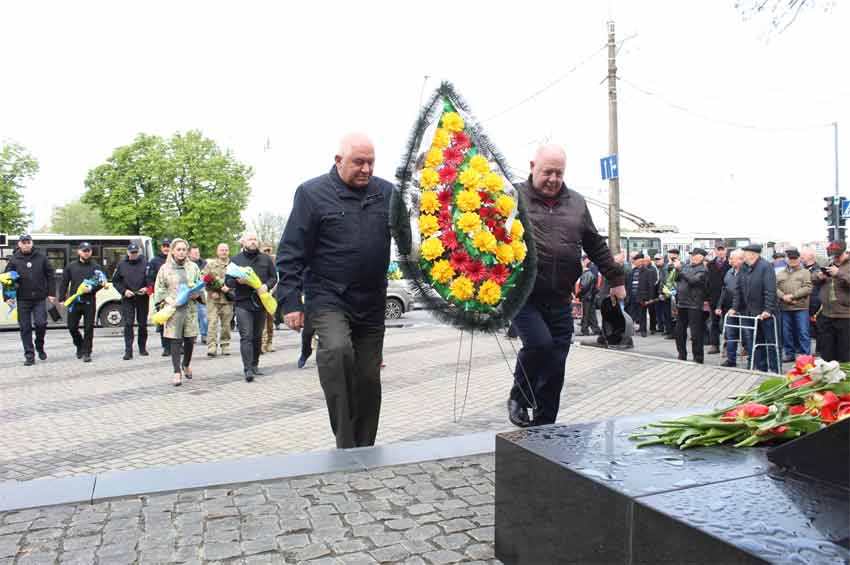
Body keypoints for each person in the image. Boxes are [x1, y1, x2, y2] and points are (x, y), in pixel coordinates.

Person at [277, 133, 399, 448]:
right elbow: (290, 252)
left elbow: (409, 238)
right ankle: (346, 446)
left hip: (371, 301)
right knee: (337, 352)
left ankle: (365, 447)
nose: (366, 169)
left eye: (371, 162)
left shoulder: (387, 193)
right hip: (329, 296)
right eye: (359, 162)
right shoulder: (311, 194)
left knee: (369, 379)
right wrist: (291, 301)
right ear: (338, 161)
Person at [508, 145, 625, 428]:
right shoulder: (512, 196)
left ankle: (545, 427)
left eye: (559, 173)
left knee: (556, 364)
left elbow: (594, 244)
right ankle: (519, 397)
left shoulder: (576, 202)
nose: (553, 178)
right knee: (539, 344)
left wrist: (617, 280)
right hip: (524, 294)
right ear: (532, 165)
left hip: (560, 296)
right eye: (548, 171)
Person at [227, 232, 277, 382]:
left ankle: (255, 364)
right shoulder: (235, 260)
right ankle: (247, 369)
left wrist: (266, 286)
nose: (253, 241)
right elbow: (228, 282)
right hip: (243, 303)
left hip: (261, 302)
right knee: (246, 336)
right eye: (250, 239)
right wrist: (237, 282)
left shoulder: (266, 259)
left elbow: (274, 277)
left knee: (257, 336)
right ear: (243, 242)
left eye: (255, 239)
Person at [153, 238, 202, 386]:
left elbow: (200, 285)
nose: (181, 252)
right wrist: (167, 299)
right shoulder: (165, 268)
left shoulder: (193, 267)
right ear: (173, 251)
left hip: (190, 309)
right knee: (175, 339)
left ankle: (186, 364)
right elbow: (159, 288)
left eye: (183, 249)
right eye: (178, 249)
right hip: (173, 309)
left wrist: (197, 294)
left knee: (190, 339)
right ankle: (176, 372)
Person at [3, 234, 55, 365]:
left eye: (28, 242)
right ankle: (29, 355)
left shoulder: (41, 257)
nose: (26, 244)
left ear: (32, 243)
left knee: (41, 323)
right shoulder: (14, 260)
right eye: (23, 242)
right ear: (19, 244)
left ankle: (39, 345)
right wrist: (7, 297)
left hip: (39, 298)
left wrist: (51, 292)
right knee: (25, 328)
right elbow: (6, 279)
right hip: (22, 299)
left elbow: (50, 275)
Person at [729, 244, 780, 373]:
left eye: (745, 253)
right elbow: (738, 289)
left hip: (765, 312)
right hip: (750, 312)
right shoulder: (744, 268)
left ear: (753, 254)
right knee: (755, 342)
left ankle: (775, 370)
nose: (743, 255)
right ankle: (761, 369)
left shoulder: (765, 266)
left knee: (770, 342)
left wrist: (768, 309)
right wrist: (735, 308)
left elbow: (770, 290)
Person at [58, 242, 105, 363]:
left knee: (89, 327)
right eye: (84, 250)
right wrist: (62, 299)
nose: (86, 252)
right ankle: (79, 345)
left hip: (89, 301)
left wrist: (92, 289)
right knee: (72, 327)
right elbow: (64, 282)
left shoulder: (96, 267)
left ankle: (87, 352)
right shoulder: (71, 266)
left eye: (88, 250)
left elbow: (102, 282)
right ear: (79, 252)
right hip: (74, 301)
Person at [112, 242, 150, 360]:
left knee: (142, 324)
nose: (133, 255)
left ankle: (142, 348)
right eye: (131, 253)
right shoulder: (122, 265)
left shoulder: (145, 263)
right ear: (127, 253)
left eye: (135, 252)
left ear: (138, 252)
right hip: (128, 298)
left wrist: (147, 288)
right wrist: (124, 291)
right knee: (128, 324)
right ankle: (128, 351)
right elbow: (116, 281)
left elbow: (152, 279)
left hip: (142, 297)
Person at [815, 241, 850, 362]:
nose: (835, 258)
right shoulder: (829, 263)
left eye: (838, 255)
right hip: (826, 314)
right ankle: (829, 378)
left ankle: (845, 378)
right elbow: (812, 279)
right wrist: (819, 277)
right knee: (827, 353)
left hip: (845, 315)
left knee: (845, 353)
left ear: (845, 252)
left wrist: (839, 273)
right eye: (833, 255)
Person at [776, 248, 812, 362]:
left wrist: (792, 296)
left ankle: (805, 356)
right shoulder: (780, 273)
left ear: (799, 259)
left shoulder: (805, 272)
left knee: (803, 332)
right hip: (785, 307)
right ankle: (789, 354)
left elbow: (808, 287)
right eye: (790, 258)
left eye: (794, 258)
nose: (792, 261)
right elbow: (774, 287)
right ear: (786, 259)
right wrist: (783, 296)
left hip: (800, 307)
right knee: (786, 333)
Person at [673, 248, 708, 363]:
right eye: (692, 255)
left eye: (695, 255)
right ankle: (681, 355)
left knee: (695, 334)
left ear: (701, 257)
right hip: (682, 303)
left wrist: (681, 269)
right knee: (679, 332)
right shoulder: (687, 266)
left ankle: (698, 358)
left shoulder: (703, 269)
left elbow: (693, 281)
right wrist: (677, 270)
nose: (692, 257)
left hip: (694, 305)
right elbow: (677, 278)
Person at [202, 243, 234, 357]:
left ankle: (225, 345)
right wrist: (211, 291)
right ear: (217, 252)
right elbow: (204, 279)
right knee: (212, 323)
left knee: (226, 324)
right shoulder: (210, 265)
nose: (224, 252)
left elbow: (237, 280)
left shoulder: (233, 265)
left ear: (228, 252)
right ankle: (212, 346)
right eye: (221, 250)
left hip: (227, 299)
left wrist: (230, 289)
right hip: (213, 300)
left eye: (226, 250)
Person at [717, 249, 744, 367]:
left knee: (747, 335)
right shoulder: (729, 272)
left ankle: (751, 360)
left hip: (743, 309)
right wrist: (719, 305)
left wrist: (736, 307)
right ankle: (731, 359)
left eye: (732, 258)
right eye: (730, 258)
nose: (730, 260)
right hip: (729, 309)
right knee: (730, 335)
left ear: (740, 259)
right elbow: (724, 290)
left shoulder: (747, 272)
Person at [147, 239, 172, 356]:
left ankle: (178, 345)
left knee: (176, 321)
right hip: (161, 296)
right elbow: (149, 278)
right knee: (163, 321)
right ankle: (166, 347)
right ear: (161, 247)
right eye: (164, 246)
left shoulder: (176, 259)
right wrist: (153, 289)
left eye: (168, 246)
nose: (166, 248)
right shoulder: (154, 261)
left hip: (175, 295)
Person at [706, 245, 731, 355]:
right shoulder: (710, 264)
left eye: (723, 250)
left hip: (727, 298)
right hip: (713, 298)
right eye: (718, 250)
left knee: (728, 323)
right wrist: (706, 298)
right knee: (713, 322)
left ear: (726, 251)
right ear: (715, 251)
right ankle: (714, 345)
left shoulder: (730, 264)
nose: (720, 252)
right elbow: (706, 282)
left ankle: (726, 346)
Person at [801, 247, 823, 352]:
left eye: (803, 255)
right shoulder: (801, 268)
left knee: (818, 328)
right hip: (804, 302)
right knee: (806, 329)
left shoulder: (818, 270)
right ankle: (806, 351)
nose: (801, 257)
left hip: (815, 303)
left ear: (810, 256)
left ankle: (819, 350)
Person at [260, 246, 279, 353]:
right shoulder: (259, 261)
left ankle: (270, 342)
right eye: (265, 250)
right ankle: (262, 343)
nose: (267, 252)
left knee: (270, 320)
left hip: (271, 293)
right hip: (261, 294)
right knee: (262, 320)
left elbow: (277, 278)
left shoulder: (273, 263)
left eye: (268, 250)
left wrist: (271, 291)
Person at [189, 246, 208, 345]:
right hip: (189, 292)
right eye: (194, 253)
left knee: (203, 314)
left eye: (198, 253)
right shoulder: (186, 264)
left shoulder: (204, 264)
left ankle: (205, 335)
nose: (197, 255)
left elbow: (208, 276)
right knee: (192, 316)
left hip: (201, 292)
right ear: (189, 254)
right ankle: (193, 336)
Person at [577, 256, 600, 335]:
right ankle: (595, 329)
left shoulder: (587, 274)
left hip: (587, 297)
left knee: (586, 314)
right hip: (590, 296)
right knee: (591, 313)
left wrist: (578, 294)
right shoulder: (589, 273)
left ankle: (585, 329)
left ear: (584, 263)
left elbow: (584, 286)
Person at [653, 254, 670, 337]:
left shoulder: (664, 268)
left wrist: (662, 293)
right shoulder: (661, 268)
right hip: (665, 293)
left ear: (663, 259)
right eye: (655, 260)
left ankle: (668, 330)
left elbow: (665, 282)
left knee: (666, 313)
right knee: (665, 313)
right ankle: (667, 330)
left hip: (666, 294)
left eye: (658, 259)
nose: (657, 261)